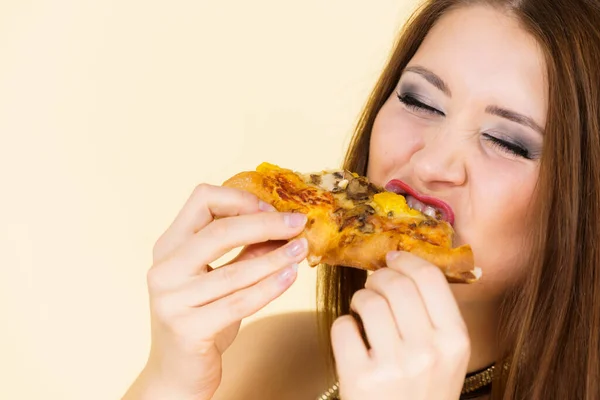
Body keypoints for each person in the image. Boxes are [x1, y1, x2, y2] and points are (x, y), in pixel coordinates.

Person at [122, 0, 600, 399]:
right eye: (420, 101)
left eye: (508, 141)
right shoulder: (270, 356)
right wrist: (171, 375)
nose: (432, 163)